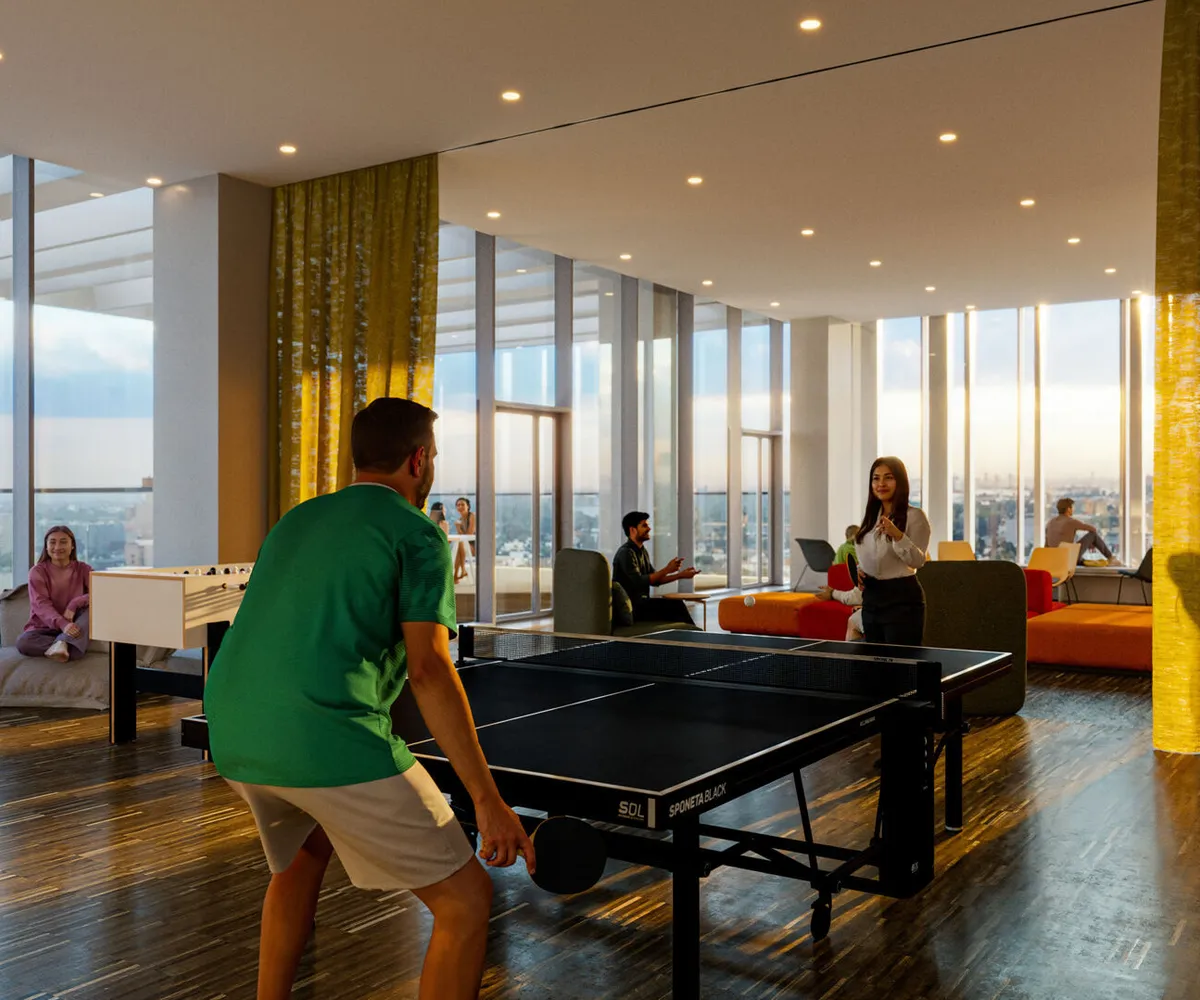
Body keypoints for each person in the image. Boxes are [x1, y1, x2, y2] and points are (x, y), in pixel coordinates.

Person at [203, 397, 534, 1000]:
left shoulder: (297, 519)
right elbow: (429, 669)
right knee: (465, 900)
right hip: (325, 737)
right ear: (420, 460)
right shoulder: (419, 535)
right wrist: (487, 801)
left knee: (302, 858)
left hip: (232, 729)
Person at [853, 457, 931, 646]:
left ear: (900, 481)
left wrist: (897, 535)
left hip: (902, 599)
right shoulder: (870, 518)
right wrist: (860, 569)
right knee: (873, 660)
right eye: (876, 478)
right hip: (872, 597)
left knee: (901, 661)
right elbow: (870, 554)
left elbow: (918, 561)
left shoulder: (915, 516)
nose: (881, 484)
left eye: (888, 478)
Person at [18, 525, 92, 663]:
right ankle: (68, 645)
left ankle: (63, 644)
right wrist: (63, 624)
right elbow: (41, 605)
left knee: (93, 609)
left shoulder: (83, 569)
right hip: (44, 629)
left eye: (63, 542)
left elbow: (102, 594)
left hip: (75, 625)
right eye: (52, 542)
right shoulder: (37, 571)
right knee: (24, 643)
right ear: (46, 547)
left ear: (72, 546)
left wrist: (75, 603)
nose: (57, 547)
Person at [612, 511, 700, 626]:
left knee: (676, 606)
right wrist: (667, 569)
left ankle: (688, 634)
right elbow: (640, 581)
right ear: (633, 530)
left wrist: (680, 575)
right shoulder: (626, 553)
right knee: (676, 606)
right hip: (634, 608)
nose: (649, 528)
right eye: (644, 525)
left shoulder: (642, 551)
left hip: (641, 604)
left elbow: (655, 580)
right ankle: (693, 635)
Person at [1045, 498, 1119, 565]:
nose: (1073, 510)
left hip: (1055, 560)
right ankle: (1110, 558)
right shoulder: (1071, 521)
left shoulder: (1050, 522)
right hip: (1068, 559)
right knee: (1092, 535)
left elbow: (1046, 545)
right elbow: (1093, 529)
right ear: (1068, 509)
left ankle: (1081, 560)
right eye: (1072, 507)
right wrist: (1091, 543)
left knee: (1074, 550)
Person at [453, 497, 476, 583]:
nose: (460, 507)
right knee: (460, 545)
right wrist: (458, 528)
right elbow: (461, 537)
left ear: (468, 506)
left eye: (463, 504)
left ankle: (459, 572)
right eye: (458, 505)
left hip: (475, 546)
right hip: (465, 546)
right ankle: (459, 573)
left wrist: (459, 528)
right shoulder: (459, 520)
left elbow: (469, 534)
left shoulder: (472, 516)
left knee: (460, 545)